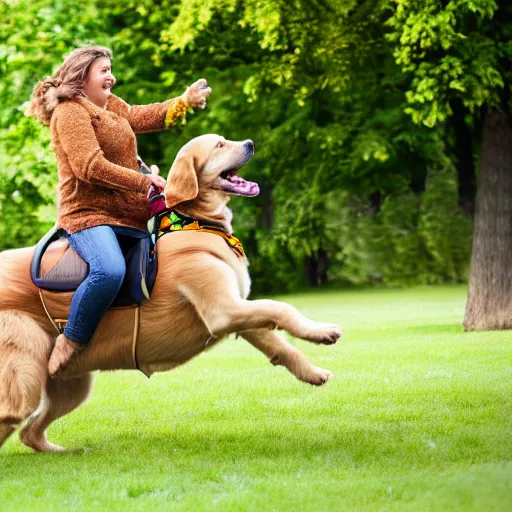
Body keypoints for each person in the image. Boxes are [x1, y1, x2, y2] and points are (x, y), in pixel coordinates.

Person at [26, 45, 212, 377]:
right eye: (104, 70)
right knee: (109, 270)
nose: (112, 76)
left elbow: (143, 115)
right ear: (83, 76)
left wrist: (183, 102)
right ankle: (71, 340)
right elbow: (90, 167)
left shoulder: (110, 105)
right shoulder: (69, 112)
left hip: (130, 216)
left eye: (111, 69)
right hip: (88, 214)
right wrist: (145, 183)